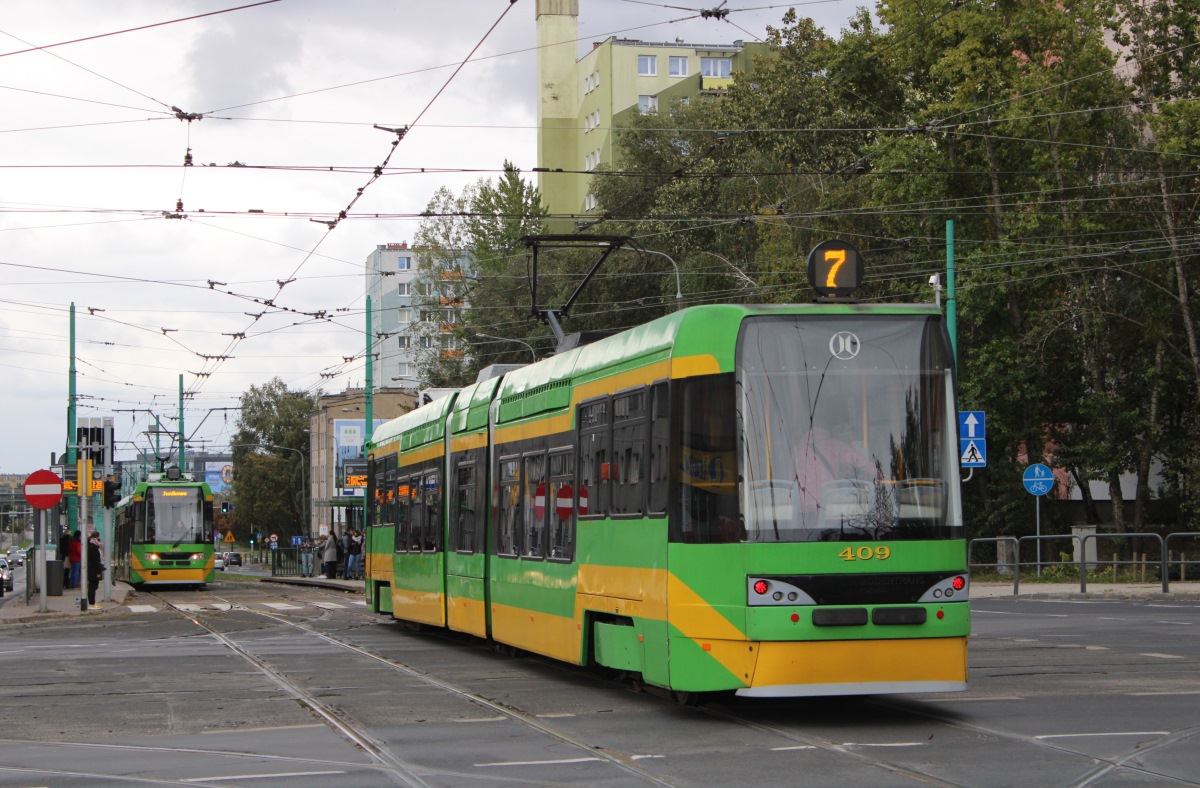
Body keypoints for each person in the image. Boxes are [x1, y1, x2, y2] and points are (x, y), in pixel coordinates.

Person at [793, 422, 875, 520]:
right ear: (827, 429)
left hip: (803, 503)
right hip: (828, 500)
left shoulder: (797, 449)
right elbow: (857, 460)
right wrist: (878, 473)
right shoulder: (834, 445)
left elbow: (792, 478)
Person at [86, 531, 104, 606]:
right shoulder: (94, 548)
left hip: (91, 569)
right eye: (98, 538)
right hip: (94, 570)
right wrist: (98, 572)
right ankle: (92, 603)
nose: (99, 540)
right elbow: (96, 560)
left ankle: (91, 602)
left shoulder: (90, 546)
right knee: (93, 586)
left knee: (92, 586)